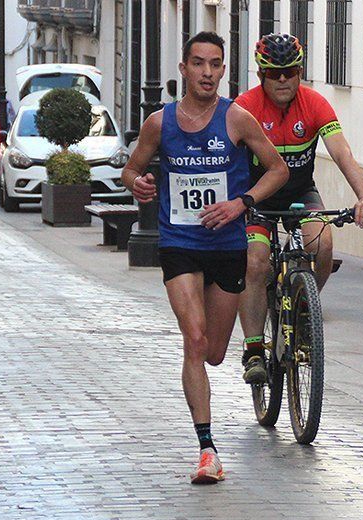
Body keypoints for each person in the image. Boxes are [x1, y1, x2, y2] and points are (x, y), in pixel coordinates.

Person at [121, 31, 288, 484]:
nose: (208, 73)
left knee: (214, 352)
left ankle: (227, 377)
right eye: (199, 63)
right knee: (193, 341)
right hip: (179, 243)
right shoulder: (160, 122)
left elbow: (279, 168)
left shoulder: (237, 119)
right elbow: (131, 167)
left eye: (215, 64)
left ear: (222, 70)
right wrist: (135, 182)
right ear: (184, 69)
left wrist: (242, 203)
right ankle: (207, 449)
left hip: (227, 246)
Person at [234, 33, 363, 384]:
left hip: (301, 193)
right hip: (258, 198)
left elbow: (341, 151)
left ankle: (302, 307)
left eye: (290, 72)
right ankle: (254, 349)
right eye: (274, 73)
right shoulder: (245, 106)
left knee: (324, 244)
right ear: (261, 75)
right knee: (255, 261)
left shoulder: (314, 104)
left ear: (300, 72)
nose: (283, 79)